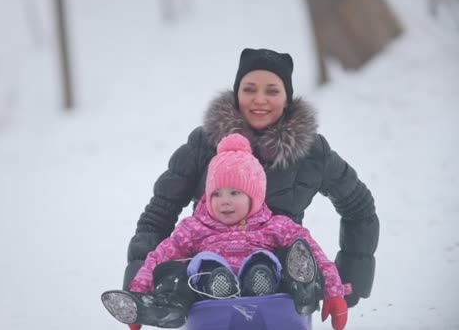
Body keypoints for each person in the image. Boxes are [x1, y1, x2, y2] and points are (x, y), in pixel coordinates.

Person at [123, 48, 379, 309]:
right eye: (249, 90)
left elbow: (359, 207)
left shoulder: (312, 153)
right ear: (237, 95)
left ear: (287, 98)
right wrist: (138, 292)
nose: (259, 99)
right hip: (207, 285)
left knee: (289, 262)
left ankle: (290, 281)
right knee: (181, 272)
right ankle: (172, 302)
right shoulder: (204, 144)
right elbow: (159, 214)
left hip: (282, 290)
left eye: (272, 91)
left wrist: (346, 286)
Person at [103, 134, 350, 330]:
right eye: (217, 194)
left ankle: (298, 287)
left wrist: (334, 293)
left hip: (272, 296)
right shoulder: (195, 228)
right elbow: (158, 256)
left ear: (254, 196)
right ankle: (164, 306)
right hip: (208, 297)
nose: (225, 201)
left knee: (292, 254)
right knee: (180, 269)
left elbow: (316, 255)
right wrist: (139, 291)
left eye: (235, 193)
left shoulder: (275, 225)